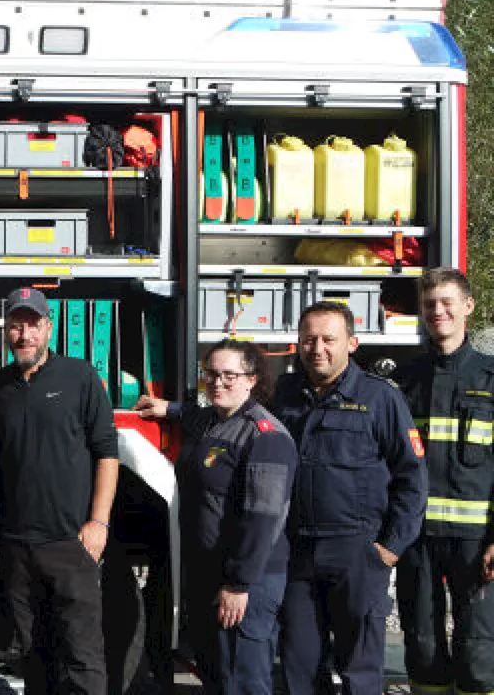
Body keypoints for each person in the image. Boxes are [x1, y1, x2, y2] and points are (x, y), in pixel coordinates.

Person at [274, 301, 427, 695]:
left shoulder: (380, 399)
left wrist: (389, 548)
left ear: (352, 344)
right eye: (308, 339)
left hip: (357, 551)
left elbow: (412, 478)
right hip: (297, 552)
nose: (317, 348)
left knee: (359, 671)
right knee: (298, 666)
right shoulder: (286, 394)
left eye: (329, 339)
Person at [136, 340, 298, 695]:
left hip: (244, 582)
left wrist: (239, 585)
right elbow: (196, 412)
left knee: (241, 679)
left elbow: (263, 520)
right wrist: (169, 408)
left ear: (252, 380)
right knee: (215, 675)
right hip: (209, 575)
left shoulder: (264, 437)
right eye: (211, 374)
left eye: (230, 375)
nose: (218, 383)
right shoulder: (213, 420)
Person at [0, 286, 118, 695]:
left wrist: (98, 523)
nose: (25, 335)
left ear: (49, 328)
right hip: (17, 546)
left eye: (33, 325)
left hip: (70, 541)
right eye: (16, 326)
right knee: (34, 656)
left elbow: (106, 453)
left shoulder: (80, 376)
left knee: (82, 656)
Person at [393, 267, 494, 695]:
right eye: (430, 304)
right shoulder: (405, 380)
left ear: (468, 307)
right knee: (423, 643)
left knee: (480, 644)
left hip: (476, 540)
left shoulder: (491, 379)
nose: (439, 311)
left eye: (447, 302)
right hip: (417, 537)